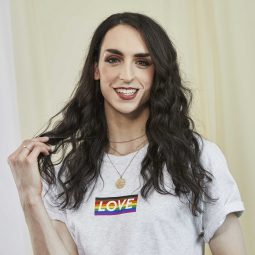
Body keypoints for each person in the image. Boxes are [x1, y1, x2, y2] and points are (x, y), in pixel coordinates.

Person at [7, 12, 246, 255]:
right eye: (114, 59)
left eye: (142, 62)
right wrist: (30, 197)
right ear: (96, 69)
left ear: (158, 73)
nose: (127, 75)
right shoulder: (69, 176)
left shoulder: (197, 158)